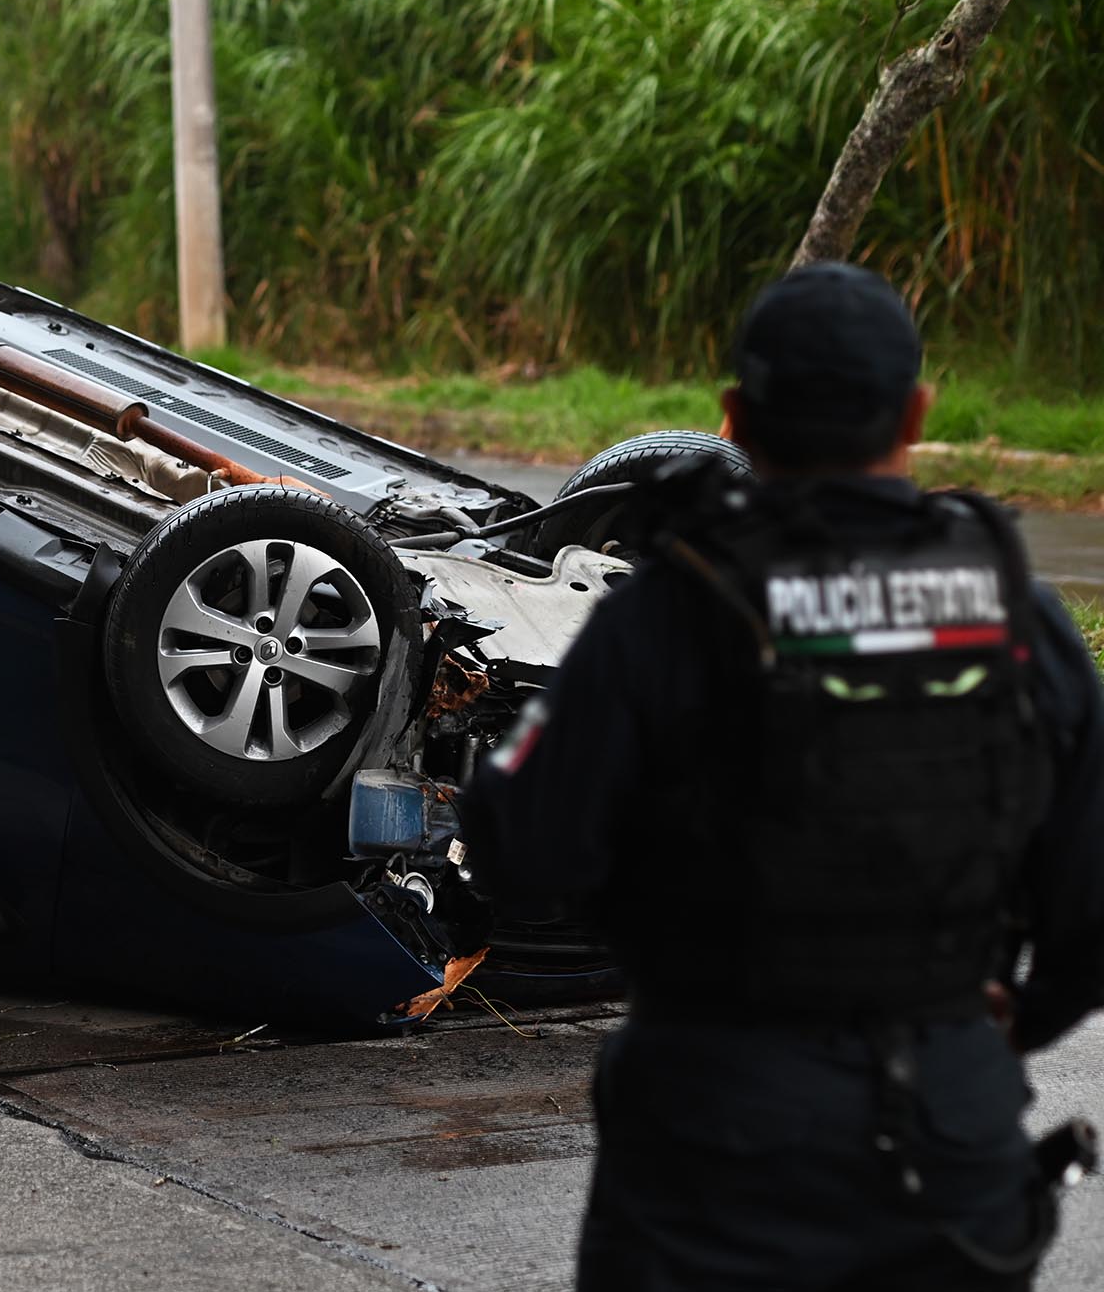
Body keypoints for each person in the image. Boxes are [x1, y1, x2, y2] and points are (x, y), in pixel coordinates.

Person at [458, 263, 1104, 1291]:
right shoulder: (1016, 621)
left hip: (709, 1146)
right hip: (946, 1146)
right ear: (916, 412)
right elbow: (1089, 912)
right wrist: (990, 1034)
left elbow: (521, 848)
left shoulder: (666, 613)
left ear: (731, 419)